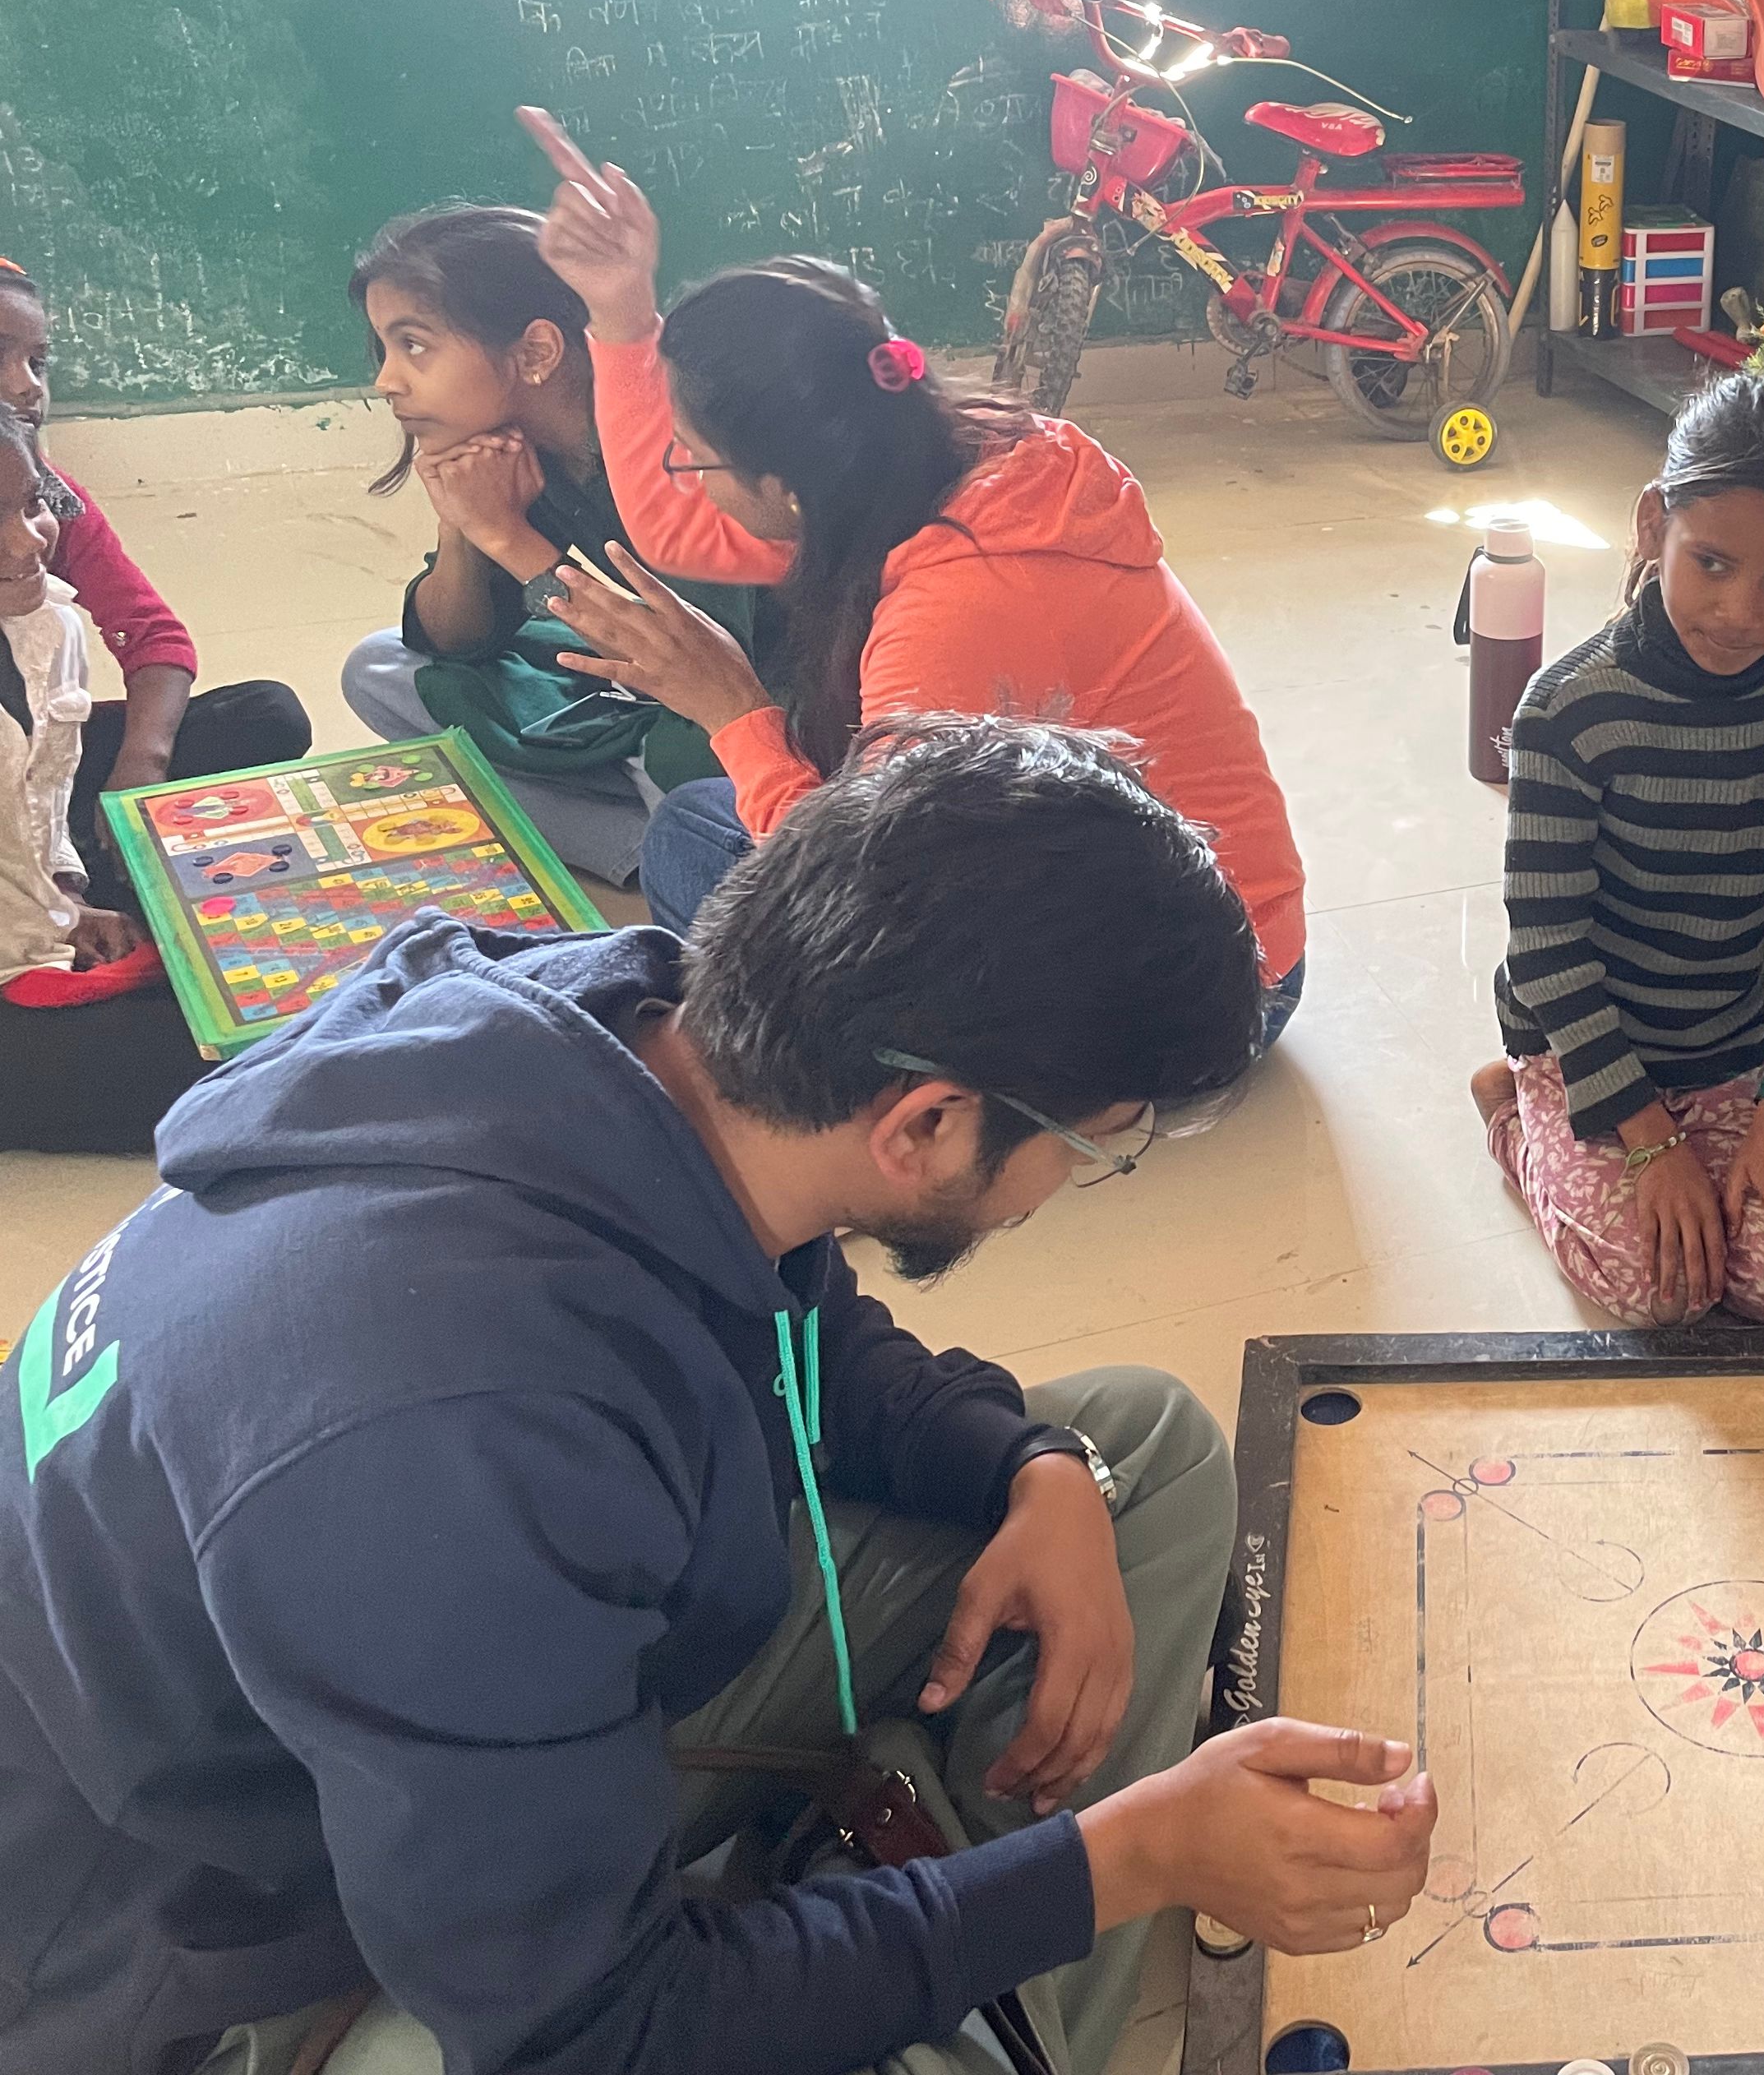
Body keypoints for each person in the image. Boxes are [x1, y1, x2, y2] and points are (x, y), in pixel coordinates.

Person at [0, 717, 1433, 2075]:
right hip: (238, 1942)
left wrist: (1027, 1462)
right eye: (1090, 1148)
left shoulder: (604, 1028)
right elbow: (593, 2032)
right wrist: (1128, 1860)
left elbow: (790, 1312)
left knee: (1135, 1451)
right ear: (929, 1124)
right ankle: (963, 1976)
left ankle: (922, 1938)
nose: (1069, 1185)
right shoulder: (456, 1443)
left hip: (441, 1724)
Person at [511, 110, 1308, 1050]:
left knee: (702, 855)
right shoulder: (924, 457)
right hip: (1110, 911)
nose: (683, 475)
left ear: (786, 486)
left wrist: (732, 711)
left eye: (693, 454)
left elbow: (876, 892)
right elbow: (678, 523)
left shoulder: (963, 601)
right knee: (696, 826)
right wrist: (619, 314)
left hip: (1203, 999)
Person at [1472, 372, 1764, 1327]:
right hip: (1583, 1045)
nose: (1740, 611)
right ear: (1655, 526)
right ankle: (1513, 1114)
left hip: (1728, 1041)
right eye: (1712, 563)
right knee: (1661, 1291)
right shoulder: (1569, 708)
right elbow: (1548, 947)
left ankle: (1663, 1137)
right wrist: (1651, 1142)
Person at [335, 206, 773, 884]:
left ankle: (678, 836)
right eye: (386, 350)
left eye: (414, 345)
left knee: (686, 758)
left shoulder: (677, 444)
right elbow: (452, 641)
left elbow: (695, 663)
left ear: (536, 353)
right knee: (379, 668)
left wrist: (507, 537)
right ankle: (646, 845)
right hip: (638, 690)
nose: (387, 380)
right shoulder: (513, 448)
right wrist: (462, 523)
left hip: (751, 695)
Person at [0, 256, 311, 905]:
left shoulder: (48, 502)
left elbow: (153, 635)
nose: (28, 387)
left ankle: (81, 863)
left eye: (39, 362)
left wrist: (138, 773)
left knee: (267, 715)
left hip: (35, 771)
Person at [0, 420, 212, 1151]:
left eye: (33, 503)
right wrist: (42, 935)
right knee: (196, 1054)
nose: (28, 541)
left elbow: (37, 798)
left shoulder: (46, 625)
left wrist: (64, 902)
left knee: (235, 1011)